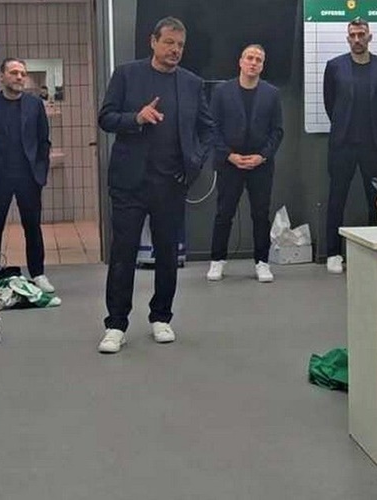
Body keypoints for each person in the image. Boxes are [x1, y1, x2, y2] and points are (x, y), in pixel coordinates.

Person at [96, 16, 214, 354]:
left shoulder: (191, 83)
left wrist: (194, 163)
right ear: (153, 42)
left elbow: (207, 129)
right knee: (123, 253)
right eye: (169, 43)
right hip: (129, 184)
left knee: (167, 254)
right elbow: (105, 118)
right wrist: (136, 117)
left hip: (171, 183)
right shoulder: (126, 75)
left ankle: (161, 316)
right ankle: (116, 324)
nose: (175, 50)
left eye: (180, 45)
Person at [0, 58, 55, 294]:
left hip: (28, 177)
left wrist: (41, 171)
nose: (19, 77)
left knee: (32, 227)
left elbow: (43, 141)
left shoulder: (34, 104)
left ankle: (38, 273)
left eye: (23, 73)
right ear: (2, 76)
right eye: (14, 72)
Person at [322, 17, 377, 275]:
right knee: (336, 199)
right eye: (352, 35)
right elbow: (330, 103)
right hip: (342, 144)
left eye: (361, 34)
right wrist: (343, 125)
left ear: (369, 37)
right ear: (348, 38)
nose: (357, 39)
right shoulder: (334, 67)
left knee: (376, 200)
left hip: (373, 144)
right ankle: (333, 253)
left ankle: (375, 251)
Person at [206, 44, 284, 283]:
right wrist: (228, 155)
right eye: (249, 58)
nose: (253, 63)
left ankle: (262, 262)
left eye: (258, 60)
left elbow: (277, 131)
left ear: (262, 66)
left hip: (261, 164)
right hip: (230, 163)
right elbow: (212, 128)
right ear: (240, 62)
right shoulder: (222, 92)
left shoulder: (272, 94)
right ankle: (217, 260)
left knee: (261, 214)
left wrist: (262, 156)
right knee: (224, 213)